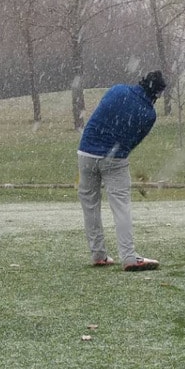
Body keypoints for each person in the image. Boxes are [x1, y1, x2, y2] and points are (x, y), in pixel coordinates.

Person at [76, 70, 166, 270]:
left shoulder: (117, 90)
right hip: (115, 159)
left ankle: (98, 255)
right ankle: (129, 258)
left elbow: (101, 113)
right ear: (157, 93)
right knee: (121, 207)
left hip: (85, 152)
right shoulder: (149, 114)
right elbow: (134, 141)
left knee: (90, 206)